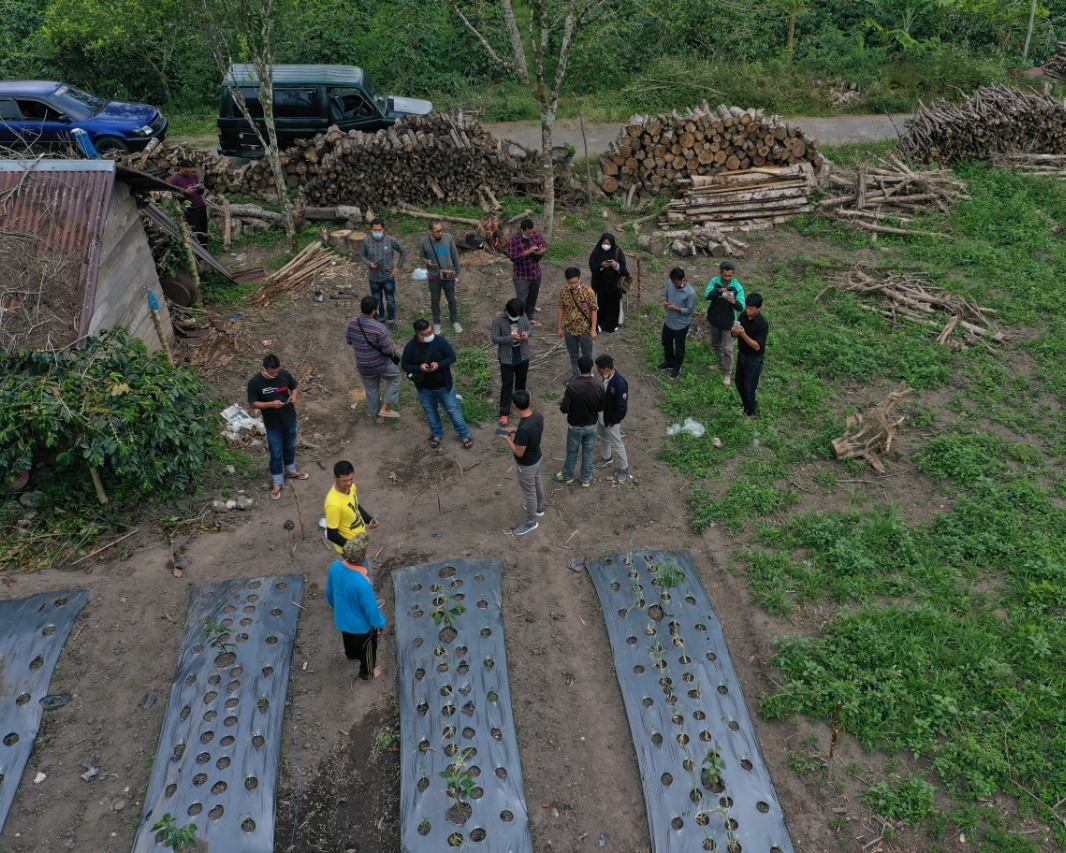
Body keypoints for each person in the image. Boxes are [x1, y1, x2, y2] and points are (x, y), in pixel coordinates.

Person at [401, 319, 474, 449]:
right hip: (424, 388)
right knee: (430, 412)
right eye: (426, 333)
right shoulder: (411, 347)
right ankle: (436, 434)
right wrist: (419, 368)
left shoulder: (440, 342)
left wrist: (439, 364)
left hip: (444, 386)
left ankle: (464, 435)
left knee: (453, 410)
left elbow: (452, 357)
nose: (430, 334)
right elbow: (405, 365)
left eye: (430, 331)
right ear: (418, 334)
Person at [325, 532, 386, 682]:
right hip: (362, 627)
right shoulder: (362, 583)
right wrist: (379, 624)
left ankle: (351, 654)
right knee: (368, 649)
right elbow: (371, 609)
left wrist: (333, 603)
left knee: (349, 639)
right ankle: (367, 673)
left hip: (342, 619)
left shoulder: (335, 567)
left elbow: (329, 591)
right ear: (362, 555)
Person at [247, 354, 308, 499]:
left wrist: (294, 396)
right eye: (272, 372)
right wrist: (270, 404)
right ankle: (277, 481)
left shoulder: (284, 374)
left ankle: (291, 470)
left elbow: (294, 388)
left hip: (289, 418)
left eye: (276, 371)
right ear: (265, 368)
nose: (275, 374)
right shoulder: (255, 382)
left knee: (290, 446)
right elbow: (252, 403)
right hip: (272, 423)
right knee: (276, 453)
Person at [346, 295, 402, 423]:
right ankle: (386, 408)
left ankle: (377, 416)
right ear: (374, 311)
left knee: (371, 389)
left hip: (362, 365)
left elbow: (349, 341)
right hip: (380, 364)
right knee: (395, 378)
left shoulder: (352, 323)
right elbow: (388, 350)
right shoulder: (379, 328)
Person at [496, 389, 544, 536]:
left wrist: (507, 439)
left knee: (529, 493)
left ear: (514, 406)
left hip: (527, 464)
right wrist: (516, 430)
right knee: (537, 481)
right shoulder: (537, 415)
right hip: (537, 457)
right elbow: (531, 429)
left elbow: (518, 452)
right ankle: (539, 508)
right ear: (529, 401)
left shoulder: (524, 429)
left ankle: (531, 522)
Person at [551, 355, 604, 487]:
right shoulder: (599, 384)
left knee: (572, 451)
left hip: (575, 426)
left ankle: (567, 475)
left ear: (578, 368)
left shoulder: (571, 386)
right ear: (591, 367)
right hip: (591, 425)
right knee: (588, 452)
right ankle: (586, 478)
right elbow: (601, 407)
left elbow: (564, 409)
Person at [324, 459, 379, 558]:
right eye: (345, 480)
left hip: (360, 541)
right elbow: (331, 534)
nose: (349, 483)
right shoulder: (333, 504)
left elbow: (355, 505)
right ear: (334, 477)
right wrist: (353, 547)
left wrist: (368, 519)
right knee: (362, 571)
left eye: (351, 479)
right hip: (350, 549)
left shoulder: (351, 487)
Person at [704, 261, 746, 386]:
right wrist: (717, 291)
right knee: (716, 343)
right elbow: (707, 295)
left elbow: (741, 307)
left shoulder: (737, 287)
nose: (727, 278)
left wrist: (733, 301)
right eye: (725, 275)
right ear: (721, 273)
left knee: (728, 349)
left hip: (729, 323)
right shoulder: (714, 281)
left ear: (733, 274)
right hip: (715, 320)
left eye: (730, 276)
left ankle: (727, 373)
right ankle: (721, 363)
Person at [492, 297, 533, 425]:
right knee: (507, 385)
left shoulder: (522, 315)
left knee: (521, 382)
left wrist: (526, 333)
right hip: (506, 358)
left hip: (523, 355)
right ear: (507, 311)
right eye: (514, 316)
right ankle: (504, 412)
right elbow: (494, 338)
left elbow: (530, 328)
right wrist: (510, 338)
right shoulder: (498, 320)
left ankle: (522, 407)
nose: (517, 318)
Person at [360, 218, 407, 328]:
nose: (377, 232)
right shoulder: (366, 241)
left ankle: (391, 321)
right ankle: (380, 318)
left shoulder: (390, 240)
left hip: (388, 276)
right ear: (371, 229)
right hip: (374, 277)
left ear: (383, 229)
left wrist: (398, 268)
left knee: (390, 300)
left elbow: (403, 251)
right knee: (377, 301)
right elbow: (362, 256)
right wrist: (369, 263)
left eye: (379, 230)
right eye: (375, 230)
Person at [418, 221, 462, 335]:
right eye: (437, 231)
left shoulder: (448, 238)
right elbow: (421, 256)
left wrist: (458, 272)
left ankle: (455, 321)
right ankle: (437, 323)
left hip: (448, 274)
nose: (440, 233)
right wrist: (427, 261)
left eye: (441, 230)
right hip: (433, 276)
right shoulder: (424, 241)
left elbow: (454, 255)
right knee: (435, 301)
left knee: (452, 300)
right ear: (430, 232)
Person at [593, 355, 631, 483]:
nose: (597, 371)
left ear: (606, 369)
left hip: (611, 421)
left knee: (617, 443)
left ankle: (624, 468)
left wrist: (613, 421)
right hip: (602, 416)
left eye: (598, 369)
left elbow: (622, 408)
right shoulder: (606, 378)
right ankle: (606, 457)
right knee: (603, 437)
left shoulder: (619, 383)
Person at [556, 267, 598, 381]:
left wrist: (593, 329)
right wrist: (559, 327)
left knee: (587, 354)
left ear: (579, 279)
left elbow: (594, 310)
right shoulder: (563, 291)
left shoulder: (588, 291)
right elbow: (561, 309)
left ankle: (588, 376)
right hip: (569, 329)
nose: (573, 285)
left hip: (585, 330)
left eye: (575, 282)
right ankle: (575, 374)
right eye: (570, 283)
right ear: (566, 281)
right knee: (573, 354)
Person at [732, 292, 769, 417]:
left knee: (749, 389)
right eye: (747, 307)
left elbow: (757, 346)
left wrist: (743, 334)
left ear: (758, 308)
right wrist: (735, 332)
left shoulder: (762, 324)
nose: (748, 310)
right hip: (742, 355)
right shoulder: (743, 316)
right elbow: (734, 335)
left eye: (751, 309)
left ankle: (751, 413)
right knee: (739, 383)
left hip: (754, 359)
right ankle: (747, 406)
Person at [507, 218, 549, 326]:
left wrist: (541, 251)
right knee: (521, 300)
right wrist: (528, 251)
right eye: (528, 232)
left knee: (532, 298)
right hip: (521, 275)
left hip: (535, 273)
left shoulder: (536, 235)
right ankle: (518, 321)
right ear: (522, 230)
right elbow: (512, 257)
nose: (531, 234)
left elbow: (545, 246)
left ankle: (529, 318)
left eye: (532, 231)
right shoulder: (514, 239)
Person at [658, 267, 696, 380]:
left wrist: (676, 308)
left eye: (676, 282)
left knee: (679, 348)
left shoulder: (690, 293)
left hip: (681, 325)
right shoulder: (670, 283)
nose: (674, 284)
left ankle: (677, 366)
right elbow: (664, 295)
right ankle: (669, 361)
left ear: (683, 279)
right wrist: (664, 301)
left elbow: (689, 311)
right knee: (666, 342)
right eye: (673, 282)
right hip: (669, 321)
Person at [588, 233, 629, 333]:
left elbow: (624, 270)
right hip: (601, 284)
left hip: (614, 285)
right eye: (604, 243)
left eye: (608, 244)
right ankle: (600, 323)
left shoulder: (617, 252)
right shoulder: (597, 251)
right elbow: (592, 266)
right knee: (601, 303)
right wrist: (601, 266)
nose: (606, 246)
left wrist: (616, 265)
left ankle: (612, 324)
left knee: (613, 305)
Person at [168, 158, 208, 245]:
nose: (190, 173)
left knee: (204, 228)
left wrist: (201, 189)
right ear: (181, 168)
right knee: (196, 231)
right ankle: (200, 252)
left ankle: (206, 248)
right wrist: (185, 192)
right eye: (187, 172)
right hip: (190, 210)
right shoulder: (175, 179)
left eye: (192, 172)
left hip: (200, 206)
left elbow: (198, 192)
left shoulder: (193, 176)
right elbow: (175, 196)